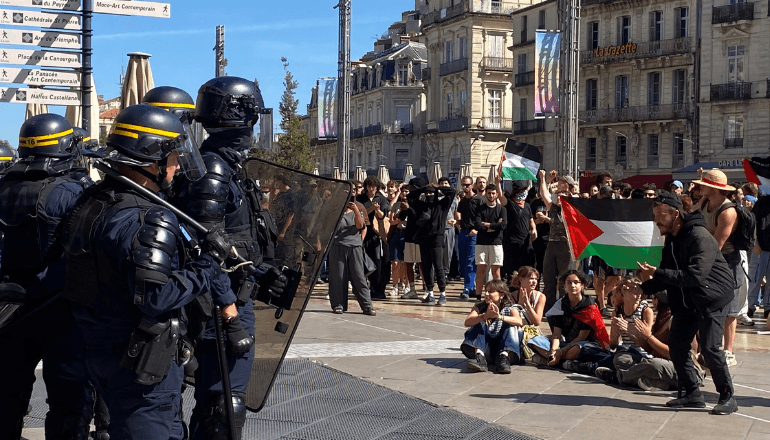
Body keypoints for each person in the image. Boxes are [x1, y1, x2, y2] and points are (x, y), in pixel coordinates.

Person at [61, 104, 234, 439]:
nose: (175, 167)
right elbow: (156, 297)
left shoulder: (92, 201)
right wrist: (208, 263)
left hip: (99, 346)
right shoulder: (148, 217)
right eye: (171, 159)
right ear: (150, 159)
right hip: (139, 362)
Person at [176, 77, 287, 440]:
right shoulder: (215, 168)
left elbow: (238, 238)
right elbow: (206, 247)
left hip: (232, 296)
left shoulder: (227, 166)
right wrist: (232, 307)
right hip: (221, 304)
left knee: (218, 399)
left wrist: (263, 269)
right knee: (223, 402)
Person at [0, 115, 95, 439]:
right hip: (62, 314)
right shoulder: (74, 191)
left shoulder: (3, 184)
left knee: (5, 401)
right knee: (70, 405)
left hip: (9, 311)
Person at [638, 190, 737, 415]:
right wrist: (642, 288)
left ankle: (727, 396)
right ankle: (692, 393)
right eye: (654, 216)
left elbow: (694, 276)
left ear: (675, 214)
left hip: (711, 298)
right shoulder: (672, 238)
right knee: (678, 344)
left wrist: (659, 273)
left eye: (660, 216)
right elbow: (667, 275)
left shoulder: (699, 236)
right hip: (687, 299)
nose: (656, 222)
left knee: (711, 350)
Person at [692, 169, 752, 366]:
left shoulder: (728, 211)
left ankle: (728, 351)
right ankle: (706, 346)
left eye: (703, 184)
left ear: (713, 188)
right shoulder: (705, 202)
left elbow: (716, 245)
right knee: (707, 303)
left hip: (727, 260)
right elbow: (691, 219)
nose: (699, 187)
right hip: (708, 256)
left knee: (730, 308)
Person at [526, 270, 611, 372]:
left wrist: (561, 352)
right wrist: (555, 351)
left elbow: (581, 337)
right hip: (566, 344)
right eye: (569, 282)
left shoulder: (589, 306)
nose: (572, 285)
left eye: (576, 282)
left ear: (582, 285)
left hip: (585, 344)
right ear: (564, 286)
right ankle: (559, 361)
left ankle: (553, 361)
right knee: (535, 340)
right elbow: (556, 335)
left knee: (576, 350)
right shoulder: (561, 304)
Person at [407, 180, 457, 305]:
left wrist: (437, 187)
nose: (429, 195)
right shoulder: (421, 205)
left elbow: (452, 191)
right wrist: (424, 187)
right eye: (427, 194)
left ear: (436, 194)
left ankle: (442, 293)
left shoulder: (442, 205)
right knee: (426, 265)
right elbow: (410, 196)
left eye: (431, 193)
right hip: (424, 238)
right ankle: (429, 292)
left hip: (437, 238)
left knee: (438, 266)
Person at [328, 192, 375, 315]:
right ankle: (338, 304)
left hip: (354, 246)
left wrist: (355, 211)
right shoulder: (335, 209)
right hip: (337, 246)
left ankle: (367, 305)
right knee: (338, 276)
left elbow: (361, 226)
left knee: (359, 276)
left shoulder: (358, 208)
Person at [461, 279, 523, 374]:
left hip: (505, 349)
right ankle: (479, 358)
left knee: (512, 325)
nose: (486, 294)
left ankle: (504, 358)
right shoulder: (480, 307)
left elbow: (519, 321)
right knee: (479, 322)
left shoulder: (511, 307)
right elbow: (467, 322)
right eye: (486, 291)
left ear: (501, 294)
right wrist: (484, 316)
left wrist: (499, 316)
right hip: (486, 349)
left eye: (491, 291)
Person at [537, 170, 575, 309]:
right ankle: (549, 306)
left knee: (565, 278)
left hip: (566, 245)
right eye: (557, 195)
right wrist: (543, 178)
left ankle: (565, 306)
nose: (559, 197)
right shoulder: (553, 208)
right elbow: (544, 194)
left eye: (562, 195)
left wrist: (567, 187)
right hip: (552, 244)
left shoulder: (572, 207)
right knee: (548, 276)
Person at [357, 176, 391, 300]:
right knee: (363, 261)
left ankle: (378, 290)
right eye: (370, 186)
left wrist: (378, 211)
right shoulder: (360, 198)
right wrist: (371, 208)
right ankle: (364, 289)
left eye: (374, 186)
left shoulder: (381, 199)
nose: (372, 189)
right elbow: (360, 213)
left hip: (376, 235)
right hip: (363, 233)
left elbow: (384, 214)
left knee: (377, 262)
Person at [473, 184, 507, 298]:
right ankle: (478, 296)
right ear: (485, 194)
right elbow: (477, 224)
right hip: (481, 243)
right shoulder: (480, 208)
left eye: (493, 193)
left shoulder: (501, 209)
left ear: (497, 194)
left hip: (496, 243)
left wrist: (487, 225)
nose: (491, 195)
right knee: (480, 271)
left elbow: (502, 225)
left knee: (496, 272)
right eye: (489, 193)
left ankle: (498, 296)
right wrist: (494, 226)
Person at [500, 180, 536, 279]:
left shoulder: (527, 205)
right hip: (512, 241)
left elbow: (531, 220)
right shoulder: (510, 203)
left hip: (525, 242)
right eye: (521, 190)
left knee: (527, 267)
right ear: (516, 191)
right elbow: (501, 198)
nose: (523, 192)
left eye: (524, 190)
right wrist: (497, 183)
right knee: (513, 270)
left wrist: (533, 229)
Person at [456, 175, 479, 299]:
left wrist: (476, 229)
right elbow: (459, 215)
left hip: (473, 233)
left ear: (472, 185)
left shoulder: (478, 200)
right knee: (463, 261)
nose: (465, 187)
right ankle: (470, 286)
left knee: (470, 261)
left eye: (467, 185)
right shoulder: (462, 201)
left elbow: (481, 217)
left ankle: (468, 287)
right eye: (463, 185)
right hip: (463, 232)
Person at [439, 177, 459, 284]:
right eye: (441, 183)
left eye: (446, 183)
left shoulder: (455, 199)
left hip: (449, 228)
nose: (444, 185)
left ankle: (446, 273)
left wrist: (456, 221)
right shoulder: (436, 198)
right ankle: (439, 274)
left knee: (448, 252)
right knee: (438, 252)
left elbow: (456, 214)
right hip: (438, 229)